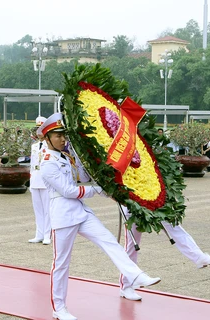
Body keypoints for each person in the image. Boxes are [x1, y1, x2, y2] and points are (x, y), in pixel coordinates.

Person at [38, 113, 161, 320]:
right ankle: (59, 308)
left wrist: (101, 172)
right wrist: (96, 189)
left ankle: (135, 275)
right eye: (57, 135)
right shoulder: (48, 162)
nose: (62, 139)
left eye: (63, 135)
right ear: (46, 138)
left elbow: (81, 177)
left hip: (81, 212)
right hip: (63, 215)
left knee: (109, 241)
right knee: (61, 264)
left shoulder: (66, 156)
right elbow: (70, 191)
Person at [119, 205, 210, 301]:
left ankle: (199, 257)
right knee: (132, 245)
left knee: (175, 227)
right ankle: (126, 285)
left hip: (154, 199)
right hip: (131, 204)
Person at [29, 116, 51, 245]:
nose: (39, 132)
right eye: (37, 129)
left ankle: (47, 235)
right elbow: (32, 163)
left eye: (41, 129)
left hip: (45, 179)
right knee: (38, 209)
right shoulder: (35, 146)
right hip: (35, 178)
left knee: (47, 209)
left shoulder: (50, 145)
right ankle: (39, 234)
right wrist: (31, 177)